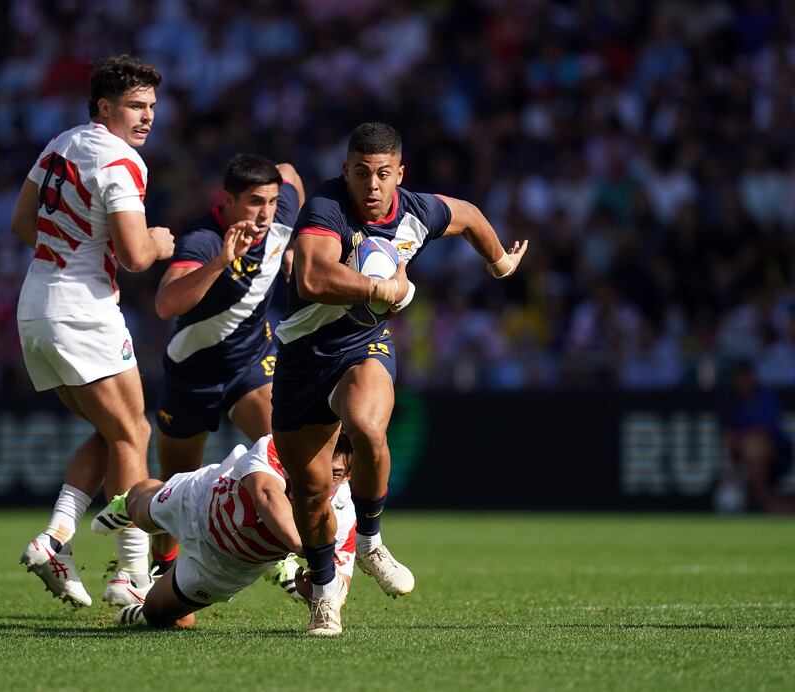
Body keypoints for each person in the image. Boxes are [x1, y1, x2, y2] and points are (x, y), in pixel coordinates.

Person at [272, 122, 528, 635]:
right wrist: (382, 289)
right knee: (311, 492)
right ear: (345, 171)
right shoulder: (324, 208)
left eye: (383, 174)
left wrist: (499, 263)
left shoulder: (417, 210)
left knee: (367, 427)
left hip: (361, 347)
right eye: (361, 173)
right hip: (301, 357)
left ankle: (368, 541)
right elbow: (313, 277)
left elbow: (471, 216)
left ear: (399, 174)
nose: (371, 185)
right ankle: (324, 591)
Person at [11, 55, 174, 607]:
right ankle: (130, 572)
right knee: (133, 434)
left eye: (152, 106)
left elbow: (21, 223)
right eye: (135, 106)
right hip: (82, 310)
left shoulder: (60, 143)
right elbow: (134, 256)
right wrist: (160, 241)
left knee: (115, 432)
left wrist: (70, 245)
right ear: (105, 108)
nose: (147, 116)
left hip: (36, 304)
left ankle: (56, 538)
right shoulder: (121, 160)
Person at [143, 154, 304, 587]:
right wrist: (221, 262)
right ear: (227, 201)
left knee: (285, 455)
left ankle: (278, 553)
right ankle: (162, 563)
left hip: (251, 363)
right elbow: (165, 304)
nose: (265, 212)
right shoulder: (203, 241)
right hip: (192, 375)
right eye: (254, 202)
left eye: (271, 202)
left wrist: (291, 244)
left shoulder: (280, 214)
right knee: (171, 491)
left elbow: (289, 172)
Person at [90, 434, 356, 631]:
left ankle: (148, 606)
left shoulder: (343, 514)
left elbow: (340, 584)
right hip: (200, 500)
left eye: (334, 473)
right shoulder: (277, 448)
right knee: (141, 510)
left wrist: (317, 591)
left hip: (224, 565)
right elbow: (266, 495)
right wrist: (308, 551)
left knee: (158, 615)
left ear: (347, 476)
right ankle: (125, 503)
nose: (320, 478)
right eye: (317, 466)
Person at [719, 361, 795, 513]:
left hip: (778, 453)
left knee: (754, 445)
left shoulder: (765, 396)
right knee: (746, 446)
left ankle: (762, 498)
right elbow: (728, 436)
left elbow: (765, 430)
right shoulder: (729, 400)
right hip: (742, 455)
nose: (743, 381)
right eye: (739, 377)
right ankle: (756, 497)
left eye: (746, 376)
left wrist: (743, 439)